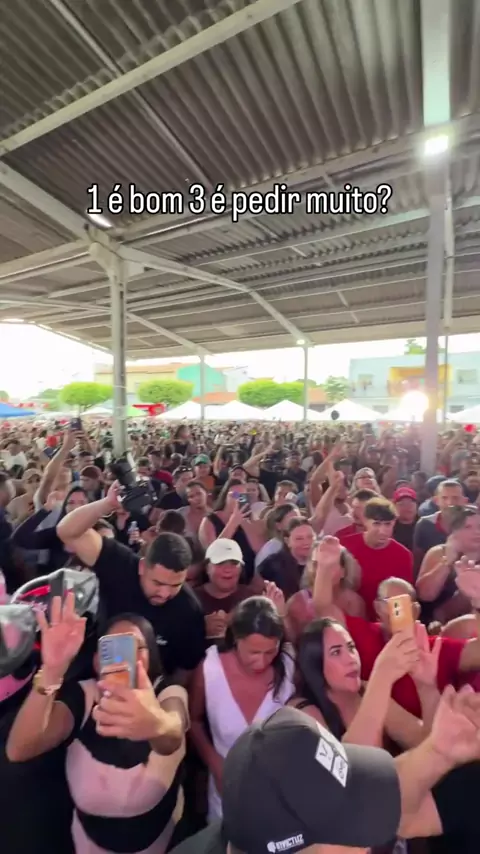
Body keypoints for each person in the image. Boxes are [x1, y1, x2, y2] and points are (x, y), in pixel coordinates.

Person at [169, 696, 480, 854]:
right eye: (354, 825)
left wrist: (439, 751)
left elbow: (395, 796)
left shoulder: (252, 827)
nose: (367, 845)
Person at [7, 594, 189, 854]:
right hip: (88, 843)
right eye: (112, 648)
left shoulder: (167, 693)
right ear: (95, 659)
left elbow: (174, 731)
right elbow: (19, 749)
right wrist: (52, 671)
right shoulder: (84, 695)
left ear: (152, 655)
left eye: (137, 647)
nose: (125, 658)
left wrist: (156, 724)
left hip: (160, 839)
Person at [56, 483, 205, 683]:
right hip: (96, 674)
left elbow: (186, 669)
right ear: (142, 567)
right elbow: (67, 531)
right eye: (158, 583)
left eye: (175, 585)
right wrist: (106, 505)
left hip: (151, 687)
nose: (164, 593)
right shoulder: (120, 563)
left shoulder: (189, 609)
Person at [189, 597, 294, 822]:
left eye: (270, 652)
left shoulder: (289, 666)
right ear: (236, 640)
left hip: (281, 798)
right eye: (253, 652)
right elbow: (194, 722)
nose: (262, 662)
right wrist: (215, 763)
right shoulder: (210, 669)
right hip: (226, 797)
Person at [340, 498, 413, 620]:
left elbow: (403, 598)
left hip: (386, 621)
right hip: (349, 619)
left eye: (387, 524)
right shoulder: (345, 546)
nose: (382, 531)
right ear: (365, 521)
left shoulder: (403, 555)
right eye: (377, 524)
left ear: (394, 523)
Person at [416, 505, 480, 624]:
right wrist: (447, 562)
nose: (477, 532)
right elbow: (425, 595)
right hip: (432, 624)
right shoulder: (438, 552)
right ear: (454, 533)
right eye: (468, 527)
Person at [194, 539, 255, 644]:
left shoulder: (252, 599)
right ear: (207, 567)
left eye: (234, 563)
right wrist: (200, 629)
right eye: (220, 563)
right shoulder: (191, 600)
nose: (227, 569)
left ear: (241, 568)